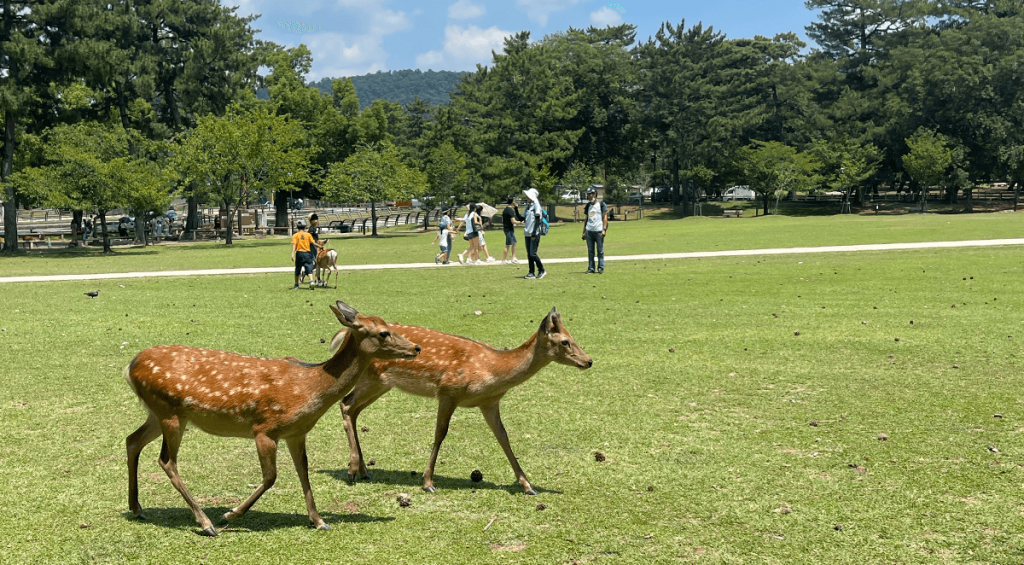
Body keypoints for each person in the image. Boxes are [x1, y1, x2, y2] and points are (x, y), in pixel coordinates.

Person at [582, 187, 608, 274]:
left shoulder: (601, 204)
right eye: (588, 194)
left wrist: (604, 229)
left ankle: (601, 267)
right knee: (590, 251)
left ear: (595, 194)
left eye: (590, 194)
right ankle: (591, 268)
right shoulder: (588, 205)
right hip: (589, 230)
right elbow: (586, 218)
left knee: (600, 250)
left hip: (598, 230)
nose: (588, 196)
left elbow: (605, 217)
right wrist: (584, 231)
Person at [522, 188, 546, 279]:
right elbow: (521, 218)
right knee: (529, 254)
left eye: (528, 196)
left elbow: (537, 220)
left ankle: (542, 270)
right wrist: (515, 209)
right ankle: (531, 272)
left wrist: (533, 233)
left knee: (533, 253)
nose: (526, 197)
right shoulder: (528, 206)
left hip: (534, 233)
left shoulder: (536, 206)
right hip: (527, 233)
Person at [290, 220, 317, 290]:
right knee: (309, 268)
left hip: (299, 253)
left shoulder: (295, 235)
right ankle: (311, 281)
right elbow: (313, 243)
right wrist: (320, 246)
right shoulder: (308, 235)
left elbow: (294, 244)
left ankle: (296, 284)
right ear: (305, 227)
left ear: (297, 227)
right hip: (307, 253)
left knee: (298, 268)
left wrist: (292, 253)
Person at [501, 196, 522, 264]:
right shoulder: (510, 210)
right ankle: (504, 260)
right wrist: (520, 223)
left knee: (514, 242)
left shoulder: (506, 209)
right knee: (508, 244)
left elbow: (502, 219)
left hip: (509, 228)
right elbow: (513, 221)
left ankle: (513, 257)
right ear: (512, 201)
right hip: (508, 229)